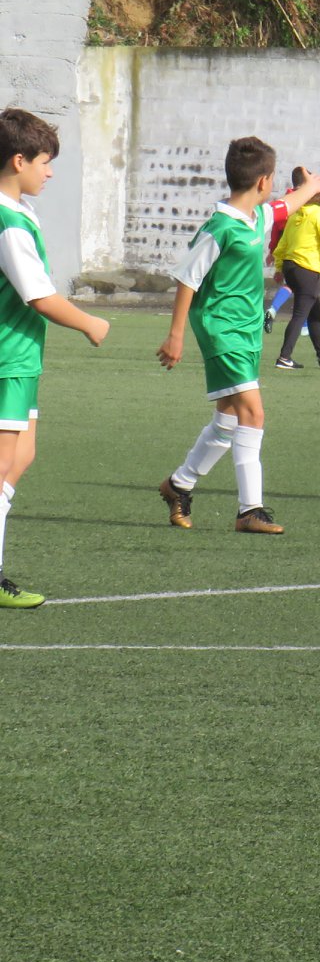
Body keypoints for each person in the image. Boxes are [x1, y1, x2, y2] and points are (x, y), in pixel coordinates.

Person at [157, 138, 320, 535]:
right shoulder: (220, 227)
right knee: (254, 412)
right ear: (265, 181)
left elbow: (292, 202)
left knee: (229, 419)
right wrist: (176, 336)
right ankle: (250, 509)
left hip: (247, 331)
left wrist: (309, 184)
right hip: (221, 331)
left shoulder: (259, 217)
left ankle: (178, 484)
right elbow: (187, 279)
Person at [0, 109, 112, 608]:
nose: (50, 172)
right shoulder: (7, 221)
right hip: (6, 360)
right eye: (44, 162)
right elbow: (38, 295)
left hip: (21, 359)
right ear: (18, 159)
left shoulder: (20, 212)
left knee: (20, 458)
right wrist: (90, 322)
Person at [271, 182, 320, 370]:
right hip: (307, 269)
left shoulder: (295, 215)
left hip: (290, 267)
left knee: (314, 313)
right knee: (300, 314)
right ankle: (284, 356)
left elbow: (282, 245)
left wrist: (278, 268)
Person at [263, 167, 309, 332]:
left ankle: (276, 310)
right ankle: (303, 324)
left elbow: (276, 227)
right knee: (305, 286)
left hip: (284, 249)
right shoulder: (304, 202)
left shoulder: (285, 201)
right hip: (301, 250)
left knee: (293, 284)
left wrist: (272, 250)